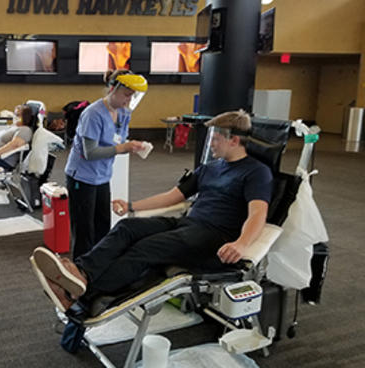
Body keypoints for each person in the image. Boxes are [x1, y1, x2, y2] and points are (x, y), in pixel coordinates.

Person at [32, 110, 273, 313]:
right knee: (127, 227)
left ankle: (80, 295)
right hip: (187, 224)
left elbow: (257, 214)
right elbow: (172, 196)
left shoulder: (256, 172)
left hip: (214, 237)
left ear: (234, 140)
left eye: (217, 138)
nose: (211, 144)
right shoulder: (209, 168)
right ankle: (81, 272)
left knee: (145, 248)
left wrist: (241, 244)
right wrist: (131, 207)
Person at [64, 69, 147, 259]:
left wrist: (133, 146)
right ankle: (79, 271)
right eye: (126, 94)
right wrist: (122, 148)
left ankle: (99, 267)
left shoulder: (123, 113)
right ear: (112, 89)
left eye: (132, 96)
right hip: (82, 176)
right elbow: (90, 152)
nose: (128, 100)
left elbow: (118, 139)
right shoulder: (93, 114)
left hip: (102, 176)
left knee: (102, 226)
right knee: (84, 229)